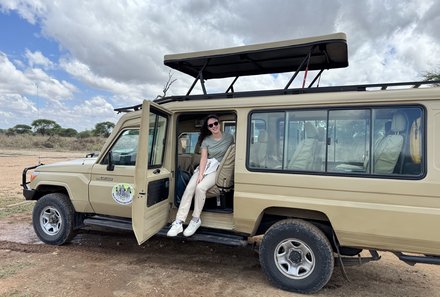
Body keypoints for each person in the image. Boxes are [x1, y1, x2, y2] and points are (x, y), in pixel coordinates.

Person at [167, 115, 234, 237]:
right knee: (189, 188)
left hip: (218, 169)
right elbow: (203, 158)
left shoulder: (229, 138)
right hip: (206, 166)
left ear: (219, 123)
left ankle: (195, 220)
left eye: (215, 123)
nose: (214, 126)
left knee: (200, 188)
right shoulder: (206, 140)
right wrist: (200, 174)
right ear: (208, 128)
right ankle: (178, 222)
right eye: (210, 125)